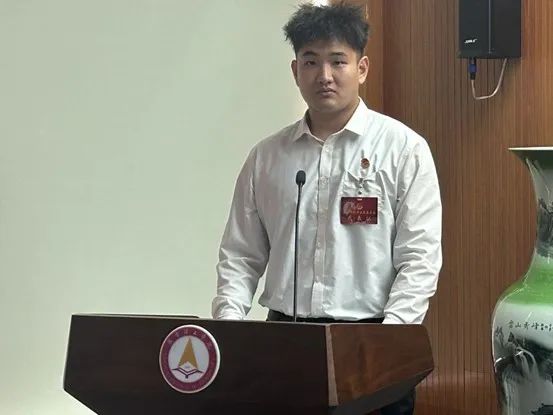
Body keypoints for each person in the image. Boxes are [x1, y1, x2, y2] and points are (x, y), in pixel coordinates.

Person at [212, 3, 442, 414]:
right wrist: (230, 333)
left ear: (362, 68)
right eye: (311, 62)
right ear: (295, 71)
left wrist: (390, 342)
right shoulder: (267, 157)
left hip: (372, 339)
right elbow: (240, 255)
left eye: (338, 61)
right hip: (282, 340)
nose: (325, 75)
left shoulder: (404, 149)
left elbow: (420, 258)